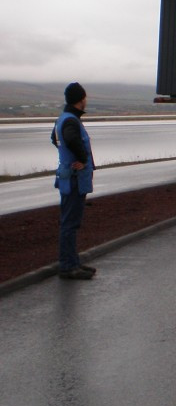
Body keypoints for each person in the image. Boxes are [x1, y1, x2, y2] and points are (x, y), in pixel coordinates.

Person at [51, 82, 96, 279]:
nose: (86, 101)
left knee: (70, 222)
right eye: (84, 98)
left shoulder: (63, 119)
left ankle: (73, 262)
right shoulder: (71, 121)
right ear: (81, 100)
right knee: (70, 223)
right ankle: (68, 266)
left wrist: (67, 157)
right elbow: (69, 139)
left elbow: (55, 139)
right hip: (74, 179)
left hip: (68, 178)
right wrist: (82, 160)